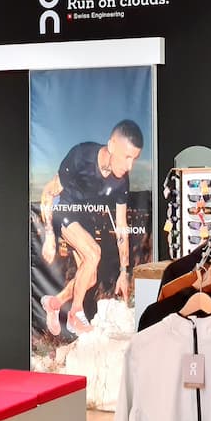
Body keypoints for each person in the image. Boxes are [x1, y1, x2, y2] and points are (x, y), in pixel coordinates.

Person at [39, 119, 143, 336]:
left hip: (84, 219)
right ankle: (75, 314)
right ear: (111, 145)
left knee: (90, 277)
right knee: (94, 253)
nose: (130, 166)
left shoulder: (122, 182)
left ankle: (54, 303)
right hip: (64, 209)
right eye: (126, 157)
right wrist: (49, 235)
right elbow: (49, 191)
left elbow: (121, 226)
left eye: (134, 159)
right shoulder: (81, 156)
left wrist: (124, 272)